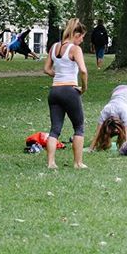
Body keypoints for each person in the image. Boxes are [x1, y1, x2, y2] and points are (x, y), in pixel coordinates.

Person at [43, 18, 88, 169]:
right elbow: (83, 70)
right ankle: (78, 163)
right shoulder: (75, 49)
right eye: (82, 37)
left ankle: (51, 163)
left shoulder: (54, 47)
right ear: (76, 34)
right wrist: (84, 87)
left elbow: (47, 69)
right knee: (79, 127)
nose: (82, 41)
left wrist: (57, 76)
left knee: (55, 129)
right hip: (70, 90)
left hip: (54, 91)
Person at [90, 84, 127, 151]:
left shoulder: (124, 112)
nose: (116, 131)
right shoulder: (105, 112)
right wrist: (91, 148)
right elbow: (98, 133)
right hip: (118, 89)